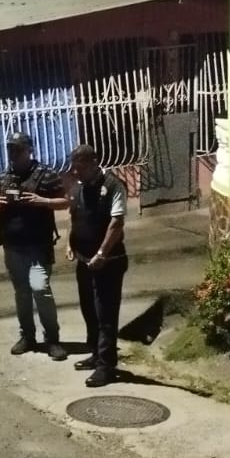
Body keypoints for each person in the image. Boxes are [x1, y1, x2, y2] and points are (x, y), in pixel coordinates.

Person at [0, 132, 70, 360]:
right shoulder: (4, 176)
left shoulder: (45, 174)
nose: (13, 154)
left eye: (18, 149)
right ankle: (27, 337)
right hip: (13, 246)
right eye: (10, 149)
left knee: (40, 290)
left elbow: (65, 201)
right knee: (22, 293)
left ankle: (52, 340)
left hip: (37, 246)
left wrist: (43, 201)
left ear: (29, 150)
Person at [65, 145, 129, 388]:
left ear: (93, 163)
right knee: (89, 310)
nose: (76, 172)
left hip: (108, 263)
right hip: (84, 261)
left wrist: (102, 253)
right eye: (74, 167)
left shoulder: (113, 186)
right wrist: (70, 244)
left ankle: (106, 365)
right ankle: (95, 352)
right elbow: (73, 217)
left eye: (80, 167)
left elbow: (116, 223)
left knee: (105, 315)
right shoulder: (78, 187)